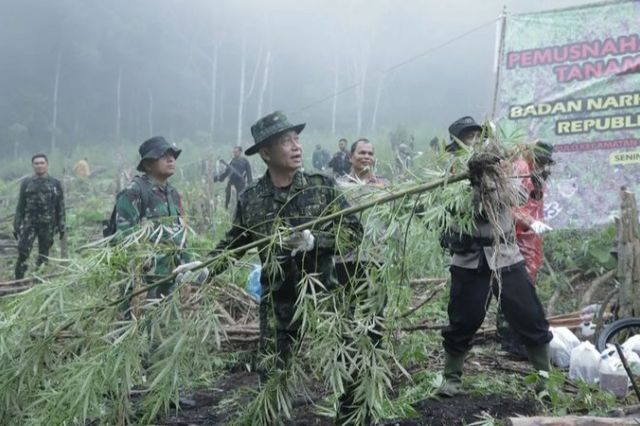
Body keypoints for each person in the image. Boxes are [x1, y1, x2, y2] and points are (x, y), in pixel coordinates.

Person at [209, 111, 363, 386]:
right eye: (286, 141)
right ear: (266, 152)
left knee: (349, 366)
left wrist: (317, 240)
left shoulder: (322, 186)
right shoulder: (252, 199)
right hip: (278, 302)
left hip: (325, 295)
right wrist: (203, 268)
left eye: (296, 139)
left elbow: (353, 233)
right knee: (271, 378)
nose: (297, 146)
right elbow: (233, 245)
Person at [438, 118, 552, 397]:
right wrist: (473, 184)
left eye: (478, 135)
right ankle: (451, 378)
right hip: (469, 258)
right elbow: (453, 209)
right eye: (468, 137)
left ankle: (545, 380)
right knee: (463, 319)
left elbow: (520, 196)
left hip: (505, 255)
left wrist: (495, 178)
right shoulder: (449, 177)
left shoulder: (501, 170)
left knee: (529, 314)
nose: (475, 140)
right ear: (458, 145)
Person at [114, 136, 198, 304]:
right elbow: (125, 238)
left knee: (168, 326)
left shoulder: (173, 194)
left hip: (171, 279)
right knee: (143, 326)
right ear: (148, 164)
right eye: (163, 155)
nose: (171, 159)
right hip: (145, 284)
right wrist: (138, 282)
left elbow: (181, 233)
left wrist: (188, 267)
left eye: (172, 155)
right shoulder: (134, 192)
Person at [497, 141, 555, 357]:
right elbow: (509, 206)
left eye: (546, 162)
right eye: (540, 160)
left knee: (525, 289)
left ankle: (518, 338)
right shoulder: (521, 170)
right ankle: (510, 339)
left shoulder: (538, 174)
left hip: (530, 241)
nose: (544, 165)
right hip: (515, 239)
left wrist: (536, 224)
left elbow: (535, 205)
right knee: (513, 290)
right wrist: (530, 222)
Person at [13, 154, 65, 279]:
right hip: (29, 224)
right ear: (33, 166)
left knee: (44, 254)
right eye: (36, 163)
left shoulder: (55, 183)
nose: (39, 165)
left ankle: (39, 279)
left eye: (42, 163)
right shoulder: (27, 183)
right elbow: (21, 204)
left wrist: (61, 225)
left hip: (47, 224)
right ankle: (18, 280)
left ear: (47, 165)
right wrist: (16, 224)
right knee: (23, 251)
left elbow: (60, 206)